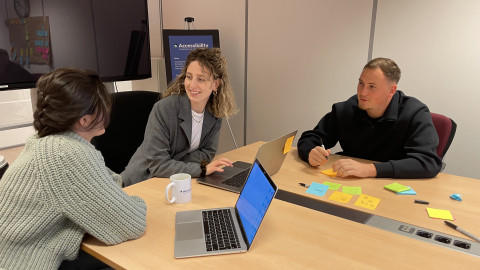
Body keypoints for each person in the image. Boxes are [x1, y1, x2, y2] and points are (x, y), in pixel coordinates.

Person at [0, 68, 147, 270]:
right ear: (84, 119)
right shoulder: (66, 154)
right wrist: (136, 203)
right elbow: (132, 222)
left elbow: (111, 182)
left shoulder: (46, 142)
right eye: (103, 106)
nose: (108, 111)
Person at [297, 57, 442, 179]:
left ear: (391, 91)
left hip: (390, 187)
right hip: (348, 183)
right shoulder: (345, 109)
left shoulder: (415, 113)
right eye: (361, 83)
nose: (362, 92)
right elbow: (311, 137)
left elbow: (428, 162)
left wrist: (370, 169)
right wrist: (310, 152)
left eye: (372, 86)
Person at [121, 48, 237, 186]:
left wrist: (173, 162)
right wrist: (200, 169)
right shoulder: (164, 109)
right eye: (189, 77)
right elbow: (158, 165)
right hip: (143, 181)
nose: (192, 84)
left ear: (215, 84)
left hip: (176, 180)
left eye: (201, 79)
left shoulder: (215, 112)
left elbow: (208, 152)